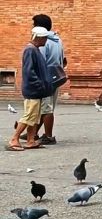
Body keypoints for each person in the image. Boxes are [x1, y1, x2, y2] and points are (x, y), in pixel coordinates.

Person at [7, 27, 53, 151]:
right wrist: (39, 84)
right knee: (29, 115)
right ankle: (14, 139)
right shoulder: (30, 50)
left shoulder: (35, 50)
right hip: (33, 90)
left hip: (37, 90)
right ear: (39, 38)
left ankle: (30, 140)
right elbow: (29, 72)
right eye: (45, 38)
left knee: (35, 116)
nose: (46, 40)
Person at [32, 14, 65, 145]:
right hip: (57, 76)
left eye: (34, 25)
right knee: (47, 107)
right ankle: (33, 133)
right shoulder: (58, 39)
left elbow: (40, 61)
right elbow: (63, 59)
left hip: (45, 77)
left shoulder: (43, 41)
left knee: (45, 108)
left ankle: (48, 136)